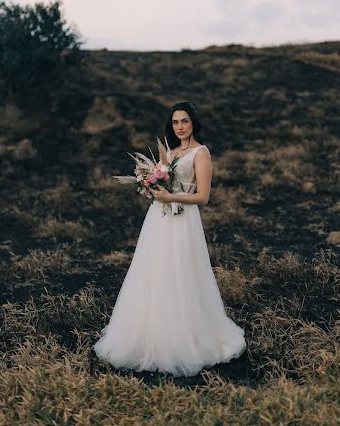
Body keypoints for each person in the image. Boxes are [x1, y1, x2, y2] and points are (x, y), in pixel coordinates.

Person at [93, 100, 246, 377]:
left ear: (193, 123)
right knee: (154, 272)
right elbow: (160, 184)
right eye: (175, 122)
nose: (180, 127)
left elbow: (203, 196)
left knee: (181, 272)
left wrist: (169, 196)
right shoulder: (170, 152)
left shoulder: (201, 153)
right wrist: (151, 186)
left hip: (184, 219)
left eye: (184, 121)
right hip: (158, 219)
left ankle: (183, 336)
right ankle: (151, 334)